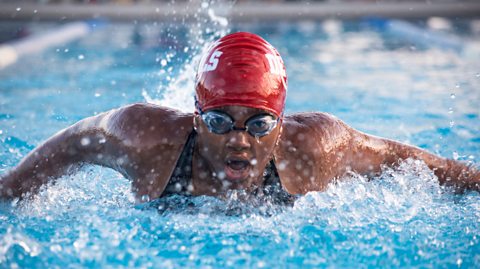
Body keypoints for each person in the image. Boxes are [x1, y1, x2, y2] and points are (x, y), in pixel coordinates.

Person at [0, 32, 478, 204]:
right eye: (220, 122)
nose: (239, 141)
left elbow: (409, 161)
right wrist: (14, 186)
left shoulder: (312, 149)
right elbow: (72, 142)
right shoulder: (145, 138)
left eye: (258, 124)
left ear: (281, 125)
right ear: (195, 117)